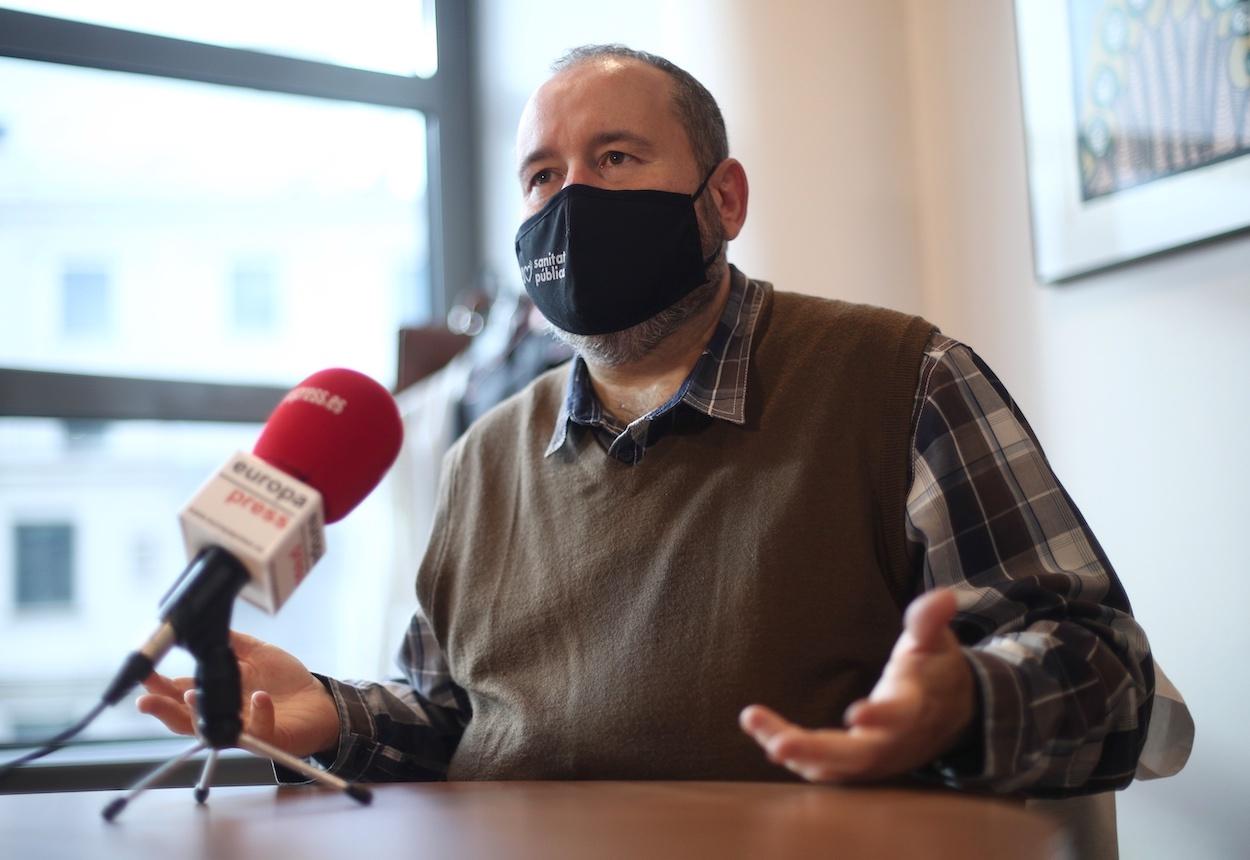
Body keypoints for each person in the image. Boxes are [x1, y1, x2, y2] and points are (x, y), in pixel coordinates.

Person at [139, 45, 1154, 796]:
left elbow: (1104, 666)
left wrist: (962, 701)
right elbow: (459, 716)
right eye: (542, 175)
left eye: (615, 157)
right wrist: (335, 711)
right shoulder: (485, 453)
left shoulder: (900, 380)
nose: (570, 199)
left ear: (723, 198)